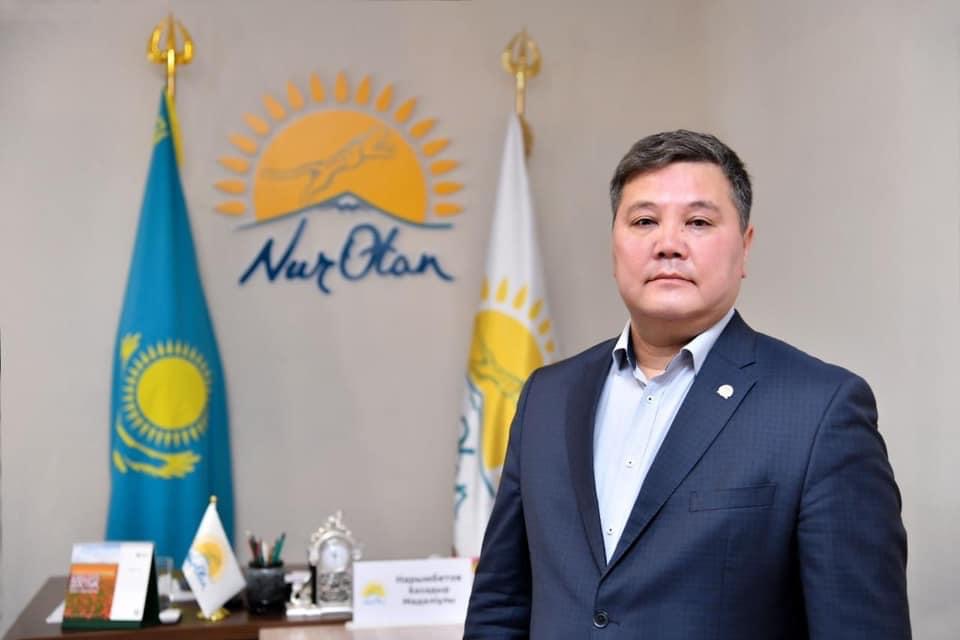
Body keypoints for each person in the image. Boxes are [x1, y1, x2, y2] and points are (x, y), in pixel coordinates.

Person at [463, 130, 910, 639]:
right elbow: (501, 605)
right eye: (644, 221)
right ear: (613, 244)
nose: (668, 245)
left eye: (698, 222)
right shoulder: (547, 397)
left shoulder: (819, 410)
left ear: (744, 247)